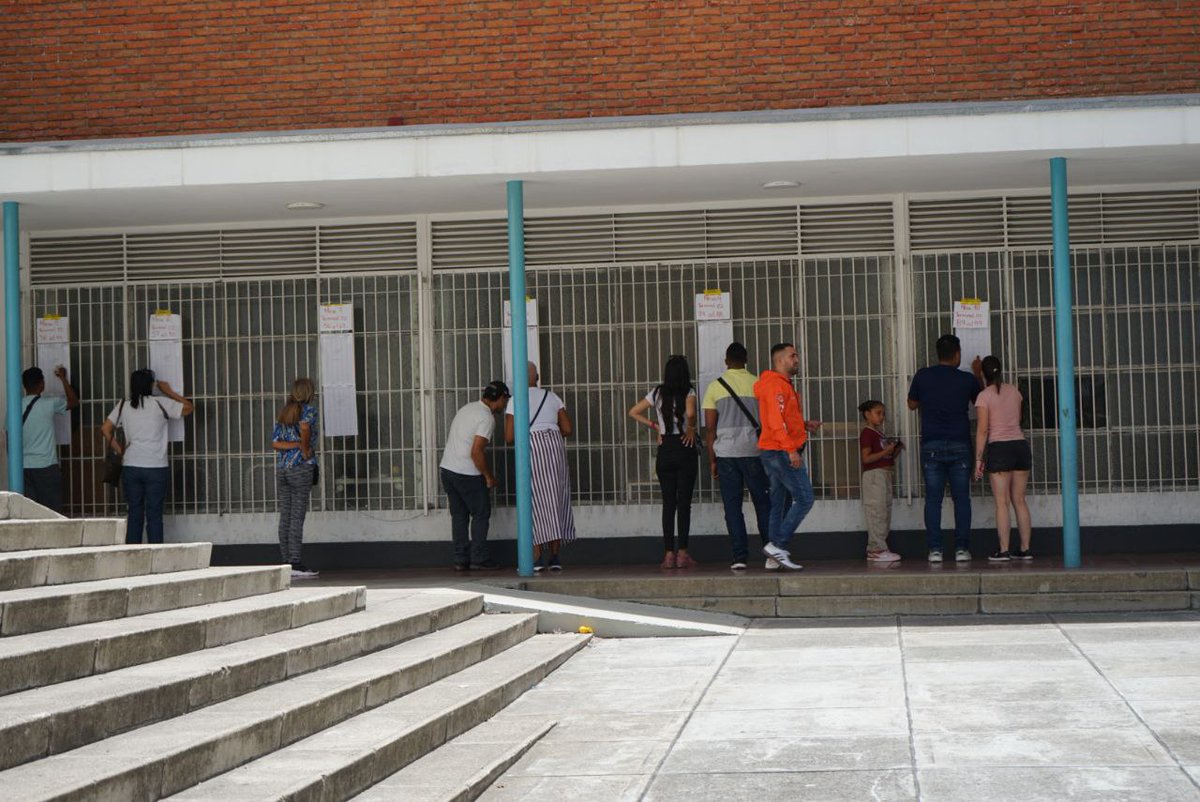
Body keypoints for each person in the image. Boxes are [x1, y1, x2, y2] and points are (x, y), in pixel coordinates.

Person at [907, 334, 983, 563]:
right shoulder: (966, 379)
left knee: (933, 500)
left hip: (931, 444)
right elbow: (981, 402)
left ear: (938, 353)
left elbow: (911, 404)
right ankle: (962, 549)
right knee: (962, 499)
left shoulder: (923, 375)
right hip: (960, 444)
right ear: (957, 354)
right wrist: (978, 374)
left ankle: (935, 550)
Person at [100, 369, 194, 544]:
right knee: (154, 514)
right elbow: (189, 408)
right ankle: (155, 554)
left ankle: (133, 553)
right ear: (151, 385)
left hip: (131, 466)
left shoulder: (123, 405)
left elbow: (105, 429)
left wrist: (120, 450)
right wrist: (169, 391)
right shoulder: (160, 403)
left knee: (134, 512)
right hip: (156, 467)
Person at [754, 343, 822, 571]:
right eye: (793, 356)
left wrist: (804, 425)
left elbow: (781, 418)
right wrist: (791, 450)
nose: (797, 359)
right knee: (805, 498)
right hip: (780, 451)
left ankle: (773, 557)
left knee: (778, 504)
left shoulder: (779, 384)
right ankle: (778, 546)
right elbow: (775, 421)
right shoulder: (775, 385)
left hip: (774, 450)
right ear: (780, 360)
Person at [702, 342, 771, 571]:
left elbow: (710, 428)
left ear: (726, 361)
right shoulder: (758, 384)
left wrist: (712, 459)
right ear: (746, 360)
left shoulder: (715, 387)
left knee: (732, 508)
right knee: (763, 504)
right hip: (754, 452)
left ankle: (739, 557)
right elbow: (768, 420)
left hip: (726, 455)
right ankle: (771, 554)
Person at [504, 362, 576, 572]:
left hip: (531, 448)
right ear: (537, 377)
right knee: (556, 498)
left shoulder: (516, 400)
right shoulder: (552, 397)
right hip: (554, 447)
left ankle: (535, 558)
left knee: (533, 500)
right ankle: (555, 557)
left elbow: (509, 436)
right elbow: (567, 429)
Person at [628, 355, 698, 569]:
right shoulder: (689, 391)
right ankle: (683, 553)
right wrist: (691, 428)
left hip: (665, 449)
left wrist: (656, 426)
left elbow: (633, 411)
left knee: (668, 503)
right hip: (685, 447)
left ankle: (668, 554)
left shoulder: (657, 392)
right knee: (684, 503)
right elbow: (691, 413)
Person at [441, 380, 509, 571]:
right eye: (505, 400)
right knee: (480, 514)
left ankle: (460, 559)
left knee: (459, 516)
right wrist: (488, 476)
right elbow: (476, 451)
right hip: (467, 473)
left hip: (447, 469)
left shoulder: (467, 408)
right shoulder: (486, 418)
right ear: (499, 398)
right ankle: (479, 557)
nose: (505, 404)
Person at [973, 356, 1033, 561]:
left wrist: (978, 460)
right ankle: (1025, 549)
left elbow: (982, 430)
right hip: (1020, 446)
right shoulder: (1015, 391)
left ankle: (1004, 550)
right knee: (1020, 500)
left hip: (999, 448)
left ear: (983, 373)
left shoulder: (984, 396)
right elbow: (1019, 418)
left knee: (1002, 502)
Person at [271, 378, 320, 579]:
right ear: (309, 393)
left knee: (286, 516)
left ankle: (285, 562)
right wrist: (305, 448)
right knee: (297, 517)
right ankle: (295, 563)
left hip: (283, 469)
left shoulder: (284, 412)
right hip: (301, 468)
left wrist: (295, 445)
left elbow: (275, 444)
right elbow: (305, 427)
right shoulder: (309, 411)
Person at [20, 365, 78, 513]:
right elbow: (73, 401)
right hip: (46, 466)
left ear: (24, 386)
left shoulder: (15, 407)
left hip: (23, 468)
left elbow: (8, 437)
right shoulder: (49, 403)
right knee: (51, 512)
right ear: (42, 384)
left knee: (28, 513)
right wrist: (63, 378)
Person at [858, 400, 903, 563]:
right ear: (867, 414)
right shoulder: (867, 433)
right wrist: (886, 450)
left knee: (884, 512)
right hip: (874, 477)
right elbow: (866, 458)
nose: (882, 417)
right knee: (876, 511)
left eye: (883, 413)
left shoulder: (878, 434)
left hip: (884, 475)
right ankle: (876, 549)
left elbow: (886, 458)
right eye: (878, 413)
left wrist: (895, 449)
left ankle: (880, 547)